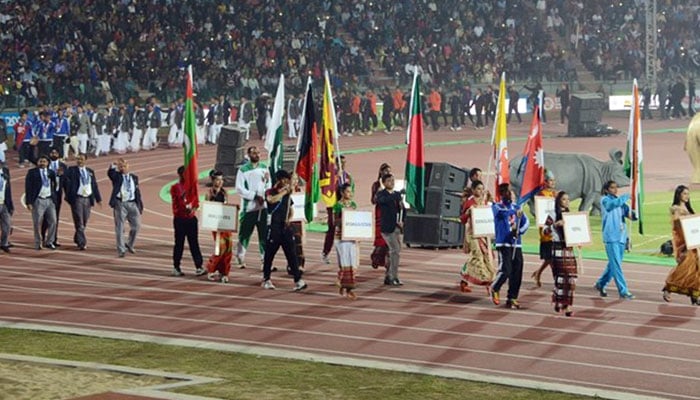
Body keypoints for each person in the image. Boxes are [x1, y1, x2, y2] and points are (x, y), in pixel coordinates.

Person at [260, 169, 307, 291]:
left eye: (288, 179)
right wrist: (283, 192)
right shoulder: (271, 191)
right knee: (269, 255)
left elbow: (290, 209)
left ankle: (298, 280)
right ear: (279, 180)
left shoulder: (288, 194)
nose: (287, 181)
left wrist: (289, 219)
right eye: (285, 179)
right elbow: (271, 200)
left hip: (285, 228)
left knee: (291, 254)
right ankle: (266, 279)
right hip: (273, 228)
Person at [490, 183, 530, 309]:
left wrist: (519, 231)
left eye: (511, 192)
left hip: (516, 244)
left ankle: (512, 297)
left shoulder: (517, 207)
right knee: (505, 270)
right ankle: (495, 287)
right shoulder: (496, 207)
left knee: (517, 271)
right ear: (502, 194)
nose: (511, 194)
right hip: (503, 243)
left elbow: (526, 222)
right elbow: (502, 213)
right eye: (508, 192)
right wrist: (514, 212)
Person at [594, 180, 635, 299]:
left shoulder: (621, 203)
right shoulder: (605, 200)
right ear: (606, 190)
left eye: (616, 187)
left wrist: (635, 214)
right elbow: (611, 206)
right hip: (611, 237)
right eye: (612, 188)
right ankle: (623, 291)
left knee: (614, 265)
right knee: (616, 265)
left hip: (621, 237)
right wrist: (625, 197)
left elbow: (629, 215)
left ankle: (601, 283)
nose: (615, 190)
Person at [662, 185, 700, 304]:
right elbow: (677, 224)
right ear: (678, 195)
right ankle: (669, 287)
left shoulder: (688, 209)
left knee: (696, 269)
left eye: (688, 194)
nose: (687, 196)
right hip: (685, 243)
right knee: (684, 268)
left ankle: (695, 295)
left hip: (694, 242)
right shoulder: (676, 209)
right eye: (684, 194)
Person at [235, 146, 271, 269]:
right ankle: (240, 257)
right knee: (245, 234)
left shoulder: (264, 168)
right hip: (249, 208)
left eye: (258, 152)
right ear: (248, 155)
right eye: (254, 153)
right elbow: (240, 189)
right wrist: (255, 196)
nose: (257, 155)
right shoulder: (243, 170)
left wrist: (265, 194)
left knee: (264, 234)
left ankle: (264, 260)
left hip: (263, 207)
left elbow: (269, 184)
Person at [544, 191, 578, 316]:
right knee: (561, 278)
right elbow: (545, 231)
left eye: (568, 199)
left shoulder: (569, 215)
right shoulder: (553, 214)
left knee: (571, 278)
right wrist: (554, 225)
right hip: (558, 248)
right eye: (564, 199)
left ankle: (567, 304)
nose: (567, 201)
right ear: (558, 201)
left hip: (569, 249)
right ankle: (559, 301)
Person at [458, 180, 495, 294]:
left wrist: (491, 201)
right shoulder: (469, 203)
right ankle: (476, 278)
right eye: (478, 189)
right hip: (473, 234)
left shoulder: (485, 202)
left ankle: (488, 282)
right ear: (473, 190)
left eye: (482, 189)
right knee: (477, 256)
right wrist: (468, 214)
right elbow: (462, 219)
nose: (481, 191)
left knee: (487, 258)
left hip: (483, 234)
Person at [170, 165, 205, 277]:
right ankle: (176, 267)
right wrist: (184, 208)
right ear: (180, 174)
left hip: (191, 219)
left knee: (194, 243)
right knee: (179, 244)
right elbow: (176, 204)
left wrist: (193, 208)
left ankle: (199, 266)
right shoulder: (175, 187)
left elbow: (197, 202)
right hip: (180, 219)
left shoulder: (193, 186)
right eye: (186, 173)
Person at [64, 154, 102, 250]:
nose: (79, 161)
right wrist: (69, 194)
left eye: (81, 159)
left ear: (85, 160)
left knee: (84, 221)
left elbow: (94, 185)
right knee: (79, 221)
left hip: (88, 199)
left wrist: (98, 199)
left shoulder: (90, 172)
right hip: (77, 198)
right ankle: (82, 243)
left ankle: (77, 238)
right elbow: (64, 179)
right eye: (78, 159)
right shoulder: (71, 170)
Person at [108, 158, 143, 258]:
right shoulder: (117, 177)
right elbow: (110, 174)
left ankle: (130, 244)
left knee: (137, 226)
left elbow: (137, 192)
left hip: (132, 204)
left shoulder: (134, 177)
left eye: (124, 166)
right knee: (120, 227)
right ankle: (121, 249)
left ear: (128, 166)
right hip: (120, 203)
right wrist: (113, 166)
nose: (122, 168)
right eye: (120, 167)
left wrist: (139, 204)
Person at [376, 173, 405, 286]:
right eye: (389, 181)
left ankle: (390, 276)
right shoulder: (381, 194)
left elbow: (402, 209)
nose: (392, 183)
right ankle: (393, 276)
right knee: (395, 251)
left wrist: (403, 220)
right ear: (383, 183)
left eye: (393, 180)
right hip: (387, 228)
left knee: (394, 253)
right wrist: (397, 195)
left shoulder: (397, 195)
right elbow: (383, 201)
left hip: (397, 227)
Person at [205, 171, 233, 283]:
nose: (220, 182)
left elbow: (227, 208)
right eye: (218, 179)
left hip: (226, 224)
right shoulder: (209, 194)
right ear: (213, 180)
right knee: (220, 249)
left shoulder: (225, 193)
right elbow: (207, 209)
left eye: (221, 179)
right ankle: (211, 270)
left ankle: (224, 272)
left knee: (228, 248)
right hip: (216, 225)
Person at [25, 155, 58, 250]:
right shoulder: (32, 172)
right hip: (38, 200)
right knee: (37, 222)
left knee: (53, 221)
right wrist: (29, 202)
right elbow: (28, 187)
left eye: (44, 161)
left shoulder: (51, 173)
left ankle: (50, 241)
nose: (42, 163)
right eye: (41, 161)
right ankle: (38, 242)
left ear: (48, 163)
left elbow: (54, 184)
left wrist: (54, 197)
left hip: (49, 200)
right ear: (38, 162)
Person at [531, 171, 557, 287]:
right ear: (545, 182)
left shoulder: (554, 195)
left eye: (553, 180)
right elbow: (541, 212)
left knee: (550, 258)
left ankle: (538, 273)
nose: (553, 183)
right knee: (550, 258)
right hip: (546, 231)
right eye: (550, 180)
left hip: (555, 230)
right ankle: (557, 280)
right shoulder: (541, 195)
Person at [334, 182, 358, 299]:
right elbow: (335, 222)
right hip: (341, 238)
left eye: (351, 191)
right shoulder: (338, 205)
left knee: (352, 264)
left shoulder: (353, 205)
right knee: (345, 263)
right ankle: (348, 288)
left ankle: (347, 286)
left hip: (351, 237)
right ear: (342, 193)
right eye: (348, 191)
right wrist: (344, 218)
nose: (350, 194)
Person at [43, 147, 67, 247]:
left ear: (59, 154)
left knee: (55, 218)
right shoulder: (45, 164)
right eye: (52, 152)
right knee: (45, 218)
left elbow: (66, 181)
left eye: (55, 152)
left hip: (57, 194)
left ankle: (53, 239)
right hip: (47, 194)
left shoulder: (63, 166)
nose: (54, 154)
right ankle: (42, 237)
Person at [370, 163, 392, 269]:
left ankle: (388, 264)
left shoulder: (391, 183)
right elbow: (373, 201)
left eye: (389, 171)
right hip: (380, 213)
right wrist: (378, 194)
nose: (388, 173)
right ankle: (375, 256)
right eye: (386, 171)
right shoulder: (376, 185)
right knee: (381, 240)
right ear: (381, 172)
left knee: (388, 241)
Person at [0, 161, 14, 253]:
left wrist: (10, 204)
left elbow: (8, 190)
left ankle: (4, 243)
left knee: (7, 225)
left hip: (4, 203)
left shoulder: (5, 173)